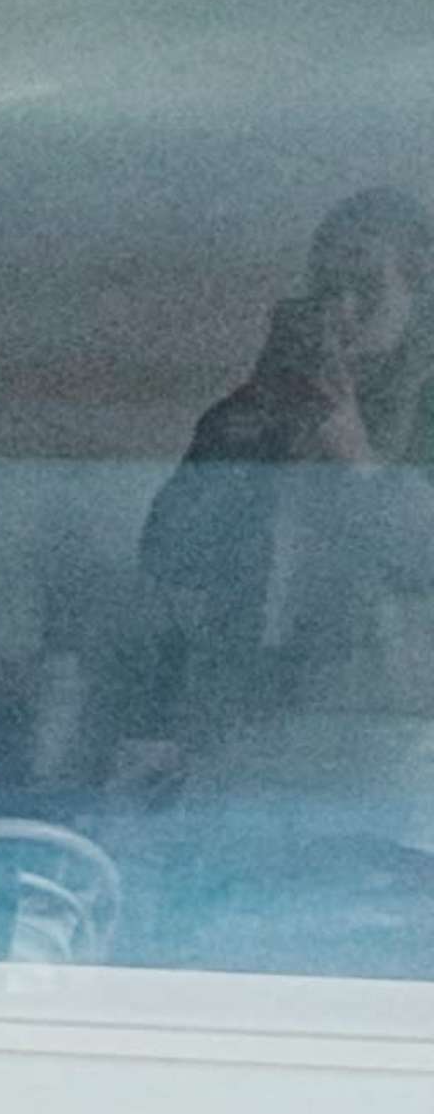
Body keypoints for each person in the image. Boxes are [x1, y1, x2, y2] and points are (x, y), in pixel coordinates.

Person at [136, 185, 434, 756]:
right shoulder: (251, 414)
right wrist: (253, 412)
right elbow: (170, 557)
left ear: (418, 293)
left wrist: (355, 459)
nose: (342, 309)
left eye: (367, 288)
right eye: (326, 291)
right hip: (241, 725)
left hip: (392, 748)